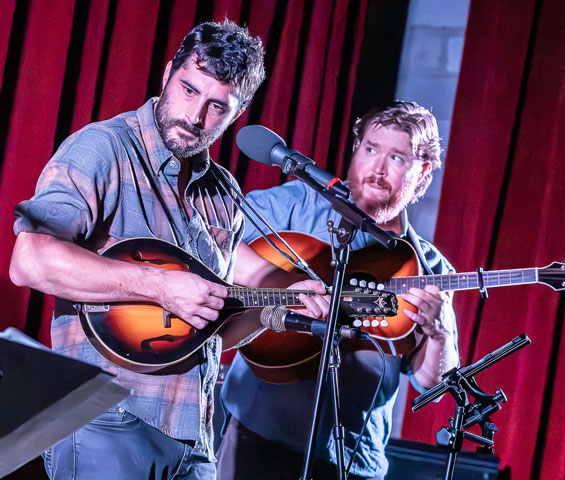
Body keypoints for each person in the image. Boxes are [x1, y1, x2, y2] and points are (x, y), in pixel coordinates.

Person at [9, 20, 328, 480]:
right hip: (107, 419)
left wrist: (276, 307)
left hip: (194, 436)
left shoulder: (223, 192)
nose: (196, 117)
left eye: (217, 106)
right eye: (189, 90)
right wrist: (159, 285)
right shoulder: (103, 148)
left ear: (238, 113)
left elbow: (214, 329)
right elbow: (30, 260)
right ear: (166, 75)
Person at [217, 101, 460, 480]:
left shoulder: (429, 267)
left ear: (423, 172)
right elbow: (218, 239)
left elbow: (431, 381)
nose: (378, 168)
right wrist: (277, 283)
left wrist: (440, 331)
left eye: (397, 158)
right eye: (370, 149)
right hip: (259, 442)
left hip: (351, 462)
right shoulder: (293, 206)